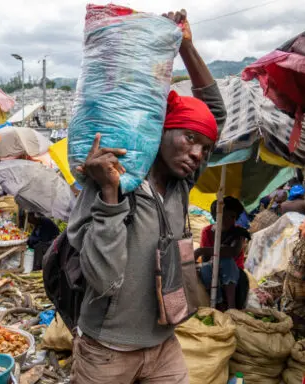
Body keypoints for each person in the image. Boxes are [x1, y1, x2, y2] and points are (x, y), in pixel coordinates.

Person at [67, 9, 226, 384]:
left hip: (164, 343)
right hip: (107, 351)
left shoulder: (181, 182)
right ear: (161, 131)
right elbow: (103, 278)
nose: (197, 154)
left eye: (204, 148)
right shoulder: (113, 182)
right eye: (190, 139)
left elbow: (214, 114)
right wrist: (108, 195)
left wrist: (187, 44)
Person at [195, 197, 250, 311]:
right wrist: (206, 253)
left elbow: (233, 252)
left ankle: (231, 306)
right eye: (224, 216)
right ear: (216, 216)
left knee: (226, 260)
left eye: (233, 217)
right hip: (212, 270)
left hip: (235, 274)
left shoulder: (239, 232)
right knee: (205, 268)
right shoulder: (207, 231)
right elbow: (205, 259)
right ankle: (219, 303)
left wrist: (201, 250)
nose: (229, 220)